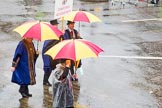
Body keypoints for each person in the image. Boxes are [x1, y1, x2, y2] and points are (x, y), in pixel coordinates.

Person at [42, 19, 62, 86]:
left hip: (55, 53)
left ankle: (51, 80)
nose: (56, 26)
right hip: (48, 53)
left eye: (57, 25)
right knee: (48, 67)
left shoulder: (58, 32)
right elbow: (48, 44)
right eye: (55, 25)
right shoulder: (49, 33)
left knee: (56, 67)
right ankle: (45, 81)